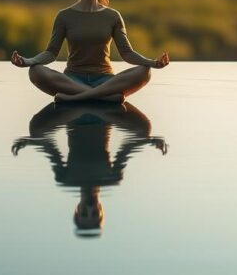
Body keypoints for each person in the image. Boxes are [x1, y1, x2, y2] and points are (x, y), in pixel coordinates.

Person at [10, 0, 169, 103]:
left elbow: (127, 53)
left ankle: (77, 98)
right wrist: (28, 61)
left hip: (105, 79)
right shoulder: (64, 16)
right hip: (73, 80)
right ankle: (103, 97)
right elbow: (51, 53)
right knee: (36, 72)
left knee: (144, 72)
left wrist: (152, 63)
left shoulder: (112, 16)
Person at [11, 100, 168, 237]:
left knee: (143, 72)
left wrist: (30, 141)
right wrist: (149, 141)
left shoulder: (65, 179)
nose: (90, 208)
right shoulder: (112, 178)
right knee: (37, 72)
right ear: (101, 211)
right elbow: (127, 148)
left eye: (85, 213)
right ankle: (93, 93)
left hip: (76, 113)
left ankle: (78, 95)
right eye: (94, 214)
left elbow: (50, 149)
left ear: (77, 210)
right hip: (104, 113)